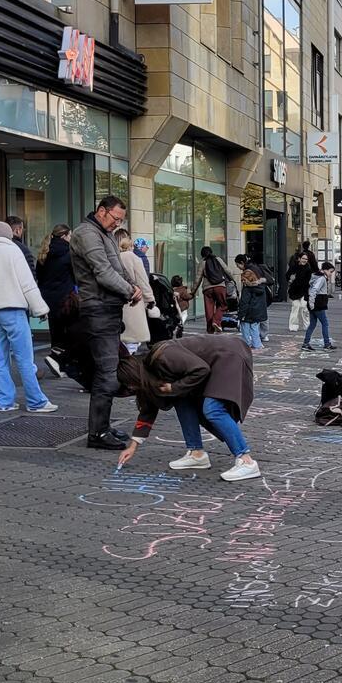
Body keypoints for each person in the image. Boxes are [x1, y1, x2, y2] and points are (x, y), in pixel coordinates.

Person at [115, 334, 260, 481]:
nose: (131, 389)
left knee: (213, 409)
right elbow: (148, 410)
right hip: (217, 361)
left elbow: (201, 369)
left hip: (229, 355)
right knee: (181, 400)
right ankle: (197, 454)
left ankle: (246, 461)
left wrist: (173, 387)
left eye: (130, 385)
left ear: (135, 377)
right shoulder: (149, 375)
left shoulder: (163, 356)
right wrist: (132, 447)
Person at [70, 196, 141, 450]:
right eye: (115, 218)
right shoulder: (86, 233)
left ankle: (103, 427)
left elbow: (116, 268)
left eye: (121, 220)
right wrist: (129, 290)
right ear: (102, 211)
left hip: (109, 308)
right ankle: (97, 434)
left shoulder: (104, 232)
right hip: (97, 309)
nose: (117, 223)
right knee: (107, 374)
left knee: (108, 372)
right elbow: (102, 271)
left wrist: (129, 289)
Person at [0, 220, 56, 414]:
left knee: (0, 359)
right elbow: (27, 283)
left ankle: (4, 401)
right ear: (9, 235)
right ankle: (35, 401)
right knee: (25, 358)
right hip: (14, 310)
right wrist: (41, 309)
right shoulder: (13, 252)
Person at [37, 223, 76, 378]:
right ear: (65, 236)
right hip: (65, 298)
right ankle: (61, 362)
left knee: (55, 331)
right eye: (70, 236)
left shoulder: (44, 253)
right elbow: (75, 276)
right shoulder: (68, 253)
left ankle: (56, 360)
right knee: (68, 332)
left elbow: (39, 277)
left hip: (47, 299)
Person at [115, 230, 155, 349]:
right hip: (133, 300)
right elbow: (143, 281)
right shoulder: (133, 258)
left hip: (114, 303)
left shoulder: (110, 257)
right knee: (131, 341)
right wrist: (150, 300)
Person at [192, 246, 232, 333]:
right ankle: (216, 321)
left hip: (207, 289)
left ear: (202, 254)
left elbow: (197, 278)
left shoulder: (203, 262)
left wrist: (193, 291)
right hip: (220, 287)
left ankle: (210, 330)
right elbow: (228, 271)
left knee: (209, 309)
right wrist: (232, 280)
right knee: (223, 305)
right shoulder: (218, 259)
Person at [303, 261, 336, 351]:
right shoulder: (321, 278)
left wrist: (311, 303)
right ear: (325, 270)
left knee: (313, 324)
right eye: (330, 271)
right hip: (318, 304)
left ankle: (306, 343)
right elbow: (314, 290)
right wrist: (312, 303)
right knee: (325, 323)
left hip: (314, 303)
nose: (331, 274)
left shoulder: (315, 276)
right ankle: (327, 344)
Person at [236, 266, 269, 350]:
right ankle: (257, 344)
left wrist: (241, 315)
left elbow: (244, 303)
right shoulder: (261, 287)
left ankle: (246, 344)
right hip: (257, 313)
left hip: (247, 313)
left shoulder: (247, 289)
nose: (242, 282)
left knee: (245, 328)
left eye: (243, 280)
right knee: (255, 328)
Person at [286, 252, 314, 331]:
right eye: (303, 258)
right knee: (295, 307)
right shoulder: (294, 267)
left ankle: (307, 325)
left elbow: (310, 281)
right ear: (299, 259)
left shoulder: (308, 268)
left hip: (304, 291)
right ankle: (293, 326)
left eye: (306, 259)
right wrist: (290, 278)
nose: (305, 260)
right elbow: (287, 276)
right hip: (294, 291)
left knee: (304, 307)